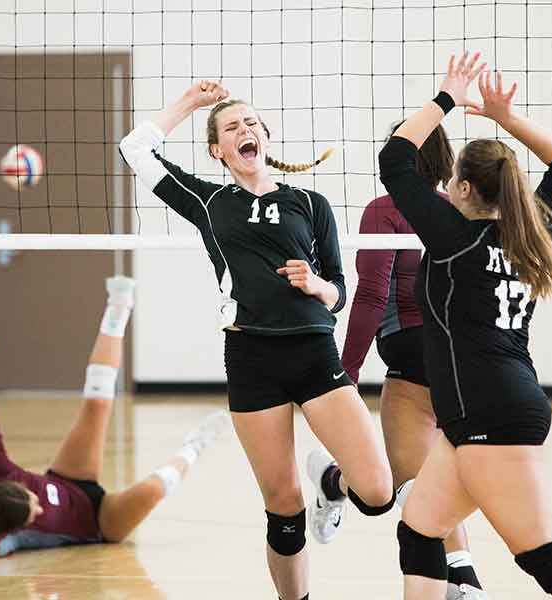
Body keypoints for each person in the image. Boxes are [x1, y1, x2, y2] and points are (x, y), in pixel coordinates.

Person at [120, 81, 394, 600]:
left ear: (265, 137)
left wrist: (317, 286)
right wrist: (193, 104)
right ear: (217, 150)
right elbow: (134, 148)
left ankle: (331, 484)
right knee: (282, 503)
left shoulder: (311, 204)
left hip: (314, 352)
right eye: (231, 127)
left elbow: (338, 291)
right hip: (252, 357)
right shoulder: (207, 200)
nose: (244, 130)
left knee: (378, 492)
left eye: (251, 123)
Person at [379, 51, 552, 598]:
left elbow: (396, 159)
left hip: (490, 413)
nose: (447, 186)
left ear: (464, 191)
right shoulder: (532, 233)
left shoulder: (455, 238)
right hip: (486, 409)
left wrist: (448, 96)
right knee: (419, 532)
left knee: (540, 554)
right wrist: (506, 118)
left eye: (453, 179)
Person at [0, 276, 229, 560]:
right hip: (101, 522)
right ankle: (195, 447)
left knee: (98, 404)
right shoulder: (14, 534)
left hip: (69, 478)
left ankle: (119, 306)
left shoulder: (0, 469)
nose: (40, 509)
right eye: (34, 515)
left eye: (34, 502)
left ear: (16, 486)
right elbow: (2, 545)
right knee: (151, 490)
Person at [341, 124, 488, 599]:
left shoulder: (386, 210)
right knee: (426, 478)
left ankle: (461, 582)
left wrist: (344, 374)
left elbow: (369, 295)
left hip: (411, 351)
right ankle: (465, 577)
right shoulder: (460, 212)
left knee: (405, 489)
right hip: (463, 359)